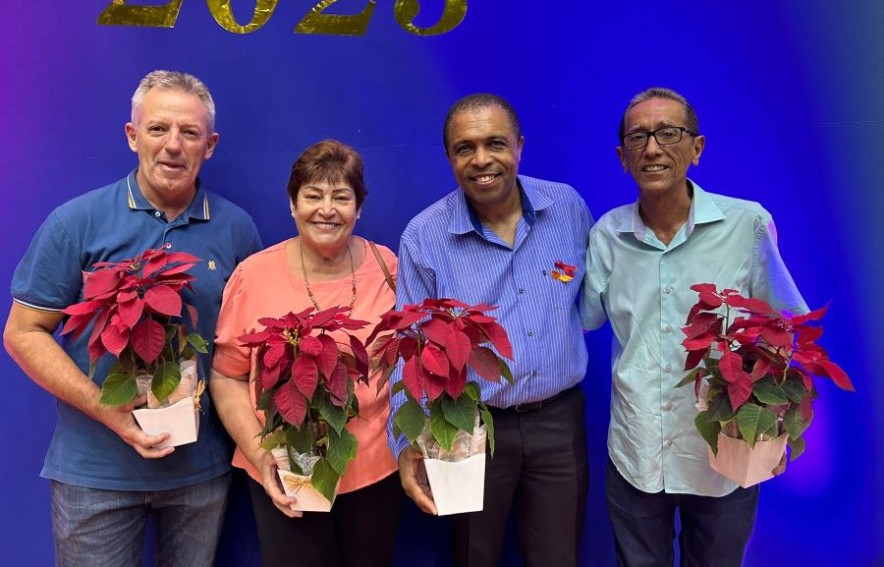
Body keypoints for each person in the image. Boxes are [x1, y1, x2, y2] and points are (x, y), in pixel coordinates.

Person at [2, 70, 263, 566]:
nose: (173, 146)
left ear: (210, 145)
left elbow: (244, 349)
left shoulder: (236, 230)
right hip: (95, 474)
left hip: (199, 474)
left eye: (190, 133)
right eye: (158, 128)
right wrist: (109, 411)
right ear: (132, 135)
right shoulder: (77, 222)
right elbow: (22, 333)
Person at [580, 87, 809, 566]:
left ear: (697, 148)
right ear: (622, 157)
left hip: (726, 449)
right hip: (637, 448)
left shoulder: (746, 225)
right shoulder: (607, 236)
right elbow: (585, 318)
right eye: (638, 137)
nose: (652, 148)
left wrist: (780, 422)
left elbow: (786, 325)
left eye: (668, 133)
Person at [390, 94, 593, 567]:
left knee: (559, 557)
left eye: (495, 143)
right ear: (449, 157)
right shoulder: (424, 236)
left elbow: (597, 297)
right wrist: (405, 442)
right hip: (468, 426)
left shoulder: (567, 208)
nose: (481, 160)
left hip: (557, 422)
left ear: (520, 146)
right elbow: (410, 350)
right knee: (473, 555)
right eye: (465, 148)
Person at [211, 139, 403, 567]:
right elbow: (227, 376)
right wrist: (262, 457)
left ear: (359, 207)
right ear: (292, 204)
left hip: (374, 469)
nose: (326, 210)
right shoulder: (253, 276)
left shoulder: (388, 266)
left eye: (341, 197)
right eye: (313, 196)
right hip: (287, 466)